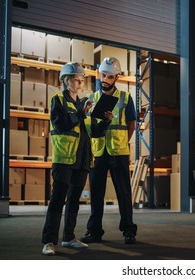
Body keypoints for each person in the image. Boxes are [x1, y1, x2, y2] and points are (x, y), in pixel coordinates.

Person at [41, 62, 110, 256]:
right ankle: (48, 241)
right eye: (75, 78)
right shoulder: (58, 100)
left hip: (82, 160)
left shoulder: (84, 105)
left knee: (74, 201)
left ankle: (68, 237)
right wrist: (80, 114)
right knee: (57, 200)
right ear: (65, 80)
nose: (79, 82)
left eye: (81, 79)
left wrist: (105, 122)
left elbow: (93, 132)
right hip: (64, 158)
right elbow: (61, 124)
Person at [81, 56, 138, 245]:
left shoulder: (125, 98)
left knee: (124, 193)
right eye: (103, 75)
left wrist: (123, 141)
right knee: (96, 194)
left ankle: (128, 230)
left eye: (110, 77)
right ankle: (94, 231)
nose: (105, 80)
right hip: (98, 152)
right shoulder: (91, 99)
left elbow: (131, 124)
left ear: (117, 78)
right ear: (99, 74)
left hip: (119, 152)